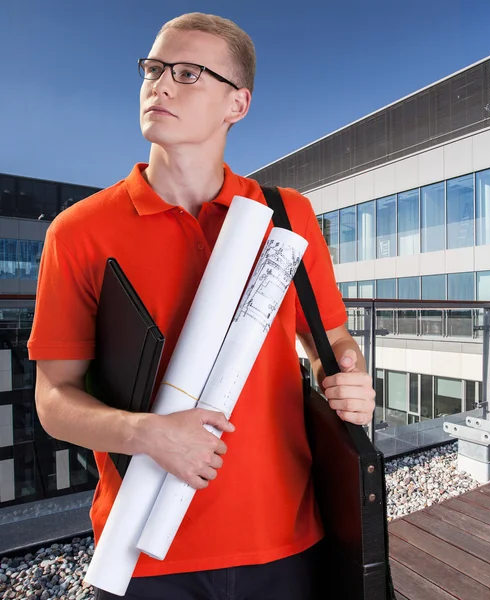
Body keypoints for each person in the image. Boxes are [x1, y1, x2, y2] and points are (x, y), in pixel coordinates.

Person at [28, 12, 376, 600]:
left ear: (236, 105)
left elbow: (332, 341)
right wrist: (148, 434)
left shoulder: (287, 217)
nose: (159, 85)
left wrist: (349, 375)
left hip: (287, 536)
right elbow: (53, 400)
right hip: (141, 552)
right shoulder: (79, 232)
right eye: (153, 69)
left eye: (188, 73)